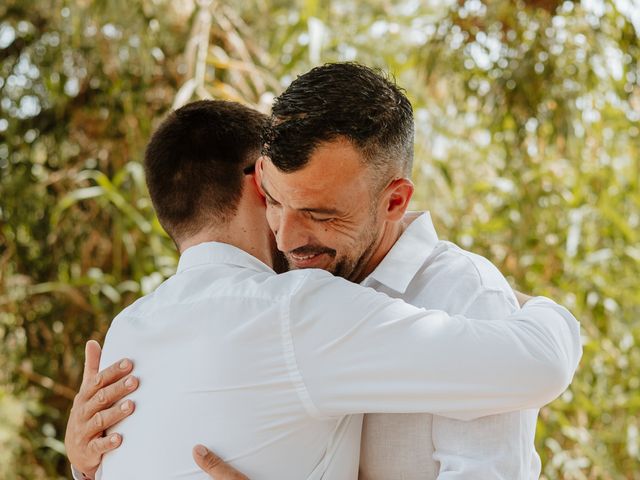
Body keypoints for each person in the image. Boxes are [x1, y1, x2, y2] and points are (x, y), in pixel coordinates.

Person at [65, 67, 581, 480]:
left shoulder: (464, 298)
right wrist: (90, 462)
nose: (288, 238)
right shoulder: (275, 301)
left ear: (395, 200)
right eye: (274, 202)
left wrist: (541, 308)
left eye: (321, 213)